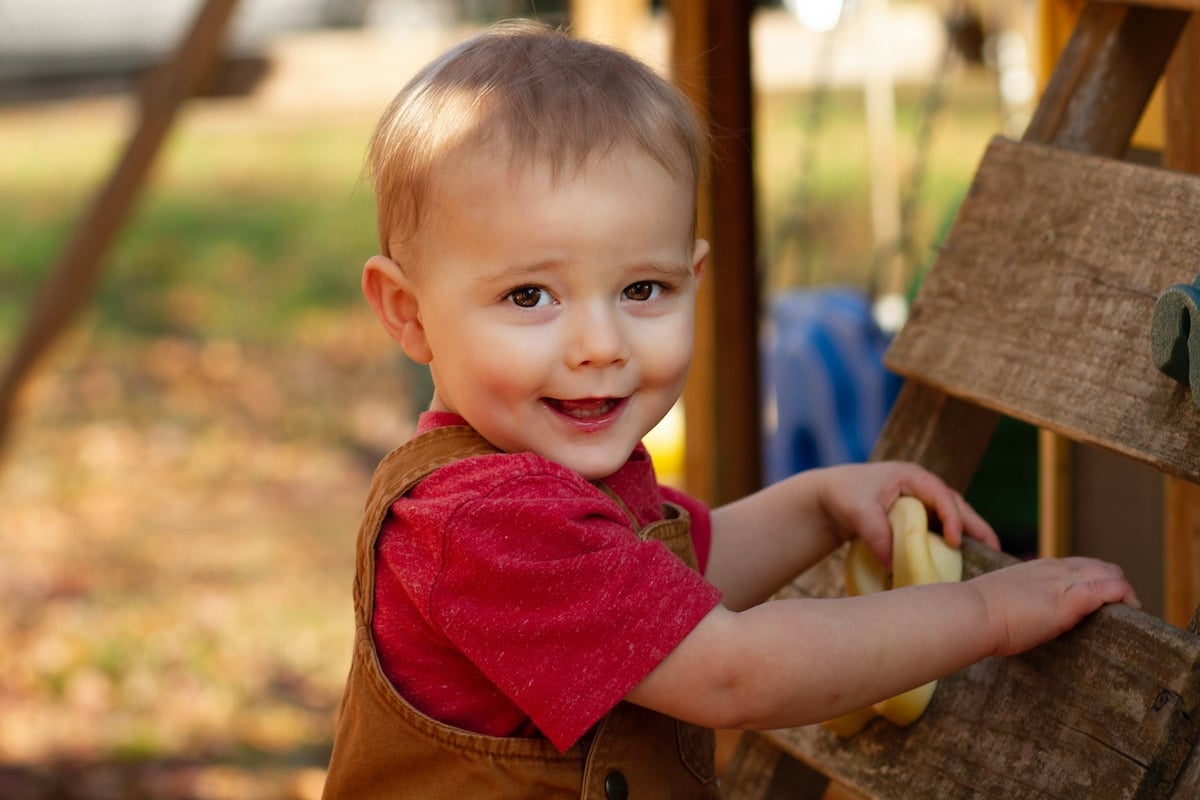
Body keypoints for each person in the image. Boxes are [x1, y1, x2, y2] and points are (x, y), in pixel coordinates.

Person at [321, 20, 1137, 799]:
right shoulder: (486, 523)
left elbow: (691, 569)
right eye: (529, 295)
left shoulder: (549, 482)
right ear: (406, 310)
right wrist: (986, 613)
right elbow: (732, 671)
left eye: (644, 289)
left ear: (694, 281)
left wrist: (820, 505)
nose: (600, 344)